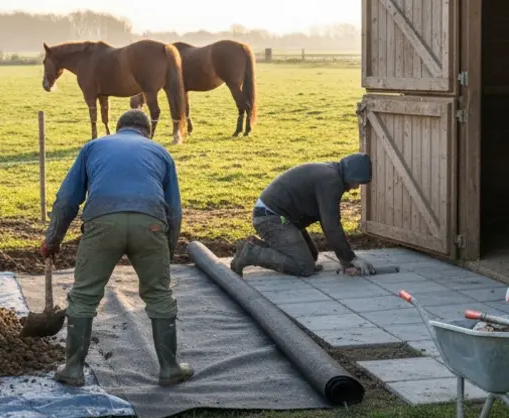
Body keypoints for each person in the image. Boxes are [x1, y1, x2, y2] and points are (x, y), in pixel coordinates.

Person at [40, 109, 193, 387]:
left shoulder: (94, 147)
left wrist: (53, 240)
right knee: (159, 295)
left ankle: (73, 369)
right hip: (151, 225)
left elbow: (66, 200)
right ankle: (169, 368)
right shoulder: (160, 153)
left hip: (102, 222)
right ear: (148, 132)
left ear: (118, 128)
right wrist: (166, 253)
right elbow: (175, 212)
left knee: (84, 296)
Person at [230, 153, 376, 278]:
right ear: (351, 175)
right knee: (304, 266)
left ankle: (253, 245)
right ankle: (251, 253)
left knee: (311, 256)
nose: (356, 187)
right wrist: (351, 258)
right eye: (357, 182)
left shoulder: (331, 174)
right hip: (272, 217)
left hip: (280, 217)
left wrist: (346, 262)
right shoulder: (331, 182)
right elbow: (331, 225)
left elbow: (328, 222)